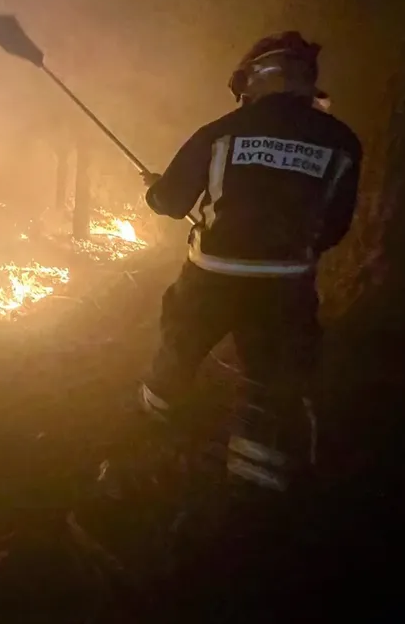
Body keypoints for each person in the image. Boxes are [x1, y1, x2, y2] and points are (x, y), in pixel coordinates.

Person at [138, 31, 362, 495]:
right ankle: (255, 488)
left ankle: (149, 425)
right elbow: (337, 223)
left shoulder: (220, 132)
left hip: (211, 276)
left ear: (255, 79)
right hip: (286, 286)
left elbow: (172, 201)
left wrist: (155, 191)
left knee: (180, 346)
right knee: (273, 376)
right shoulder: (342, 142)